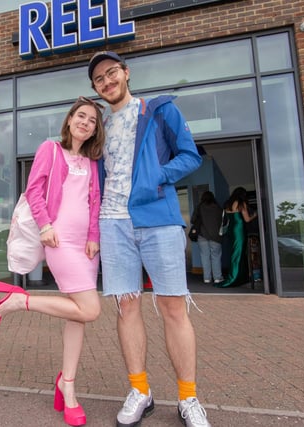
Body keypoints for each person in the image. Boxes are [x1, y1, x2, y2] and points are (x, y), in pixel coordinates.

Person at [88, 51, 211, 427]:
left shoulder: (158, 110)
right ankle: (140, 390)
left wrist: (155, 176)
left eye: (111, 73)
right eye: (99, 80)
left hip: (157, 220)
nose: (107, 82)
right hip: (113, 224)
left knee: (173, 307)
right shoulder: (100, 127)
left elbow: (191, 156)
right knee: (127, 307)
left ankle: (188, 399)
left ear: (126, 73)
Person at [0, 96, 104, 427]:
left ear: (95, 130)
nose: (85, 123)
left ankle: (67, 386)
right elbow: (34, 191)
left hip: (85, 246)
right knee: (90, 309)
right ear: (69, 121)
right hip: (59, 239)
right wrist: (46, 225)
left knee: (78, 316)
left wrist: (95, 236)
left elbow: (95, 202)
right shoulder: (50, 150)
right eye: (81, 116)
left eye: (92, 120)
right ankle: (20, 300)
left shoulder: (91, 162)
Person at [215, 186, 257, 288]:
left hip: (231, 230)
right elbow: (246, 219)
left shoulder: (228, 204)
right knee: (238, 254)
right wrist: (255, 214)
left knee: (234, 252)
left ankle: (237, 276)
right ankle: (234, 277)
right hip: (239, 229)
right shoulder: (241, 203)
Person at [191, 191, 223, 284]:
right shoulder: (217, 208)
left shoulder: (199, 207)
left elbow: (193, 220)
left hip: (202, 235)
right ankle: (217, 278)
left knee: (205, 257)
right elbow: (222, 221)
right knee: (216, 256)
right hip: (216, 236)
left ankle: (207, 278)